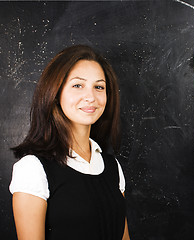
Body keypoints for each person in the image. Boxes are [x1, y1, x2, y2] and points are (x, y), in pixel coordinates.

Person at [9, 45, 130, 240]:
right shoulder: (33, 168)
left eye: (99, 87)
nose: (90, 97)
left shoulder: (112, 167)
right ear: (55, 93)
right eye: (77, 85)